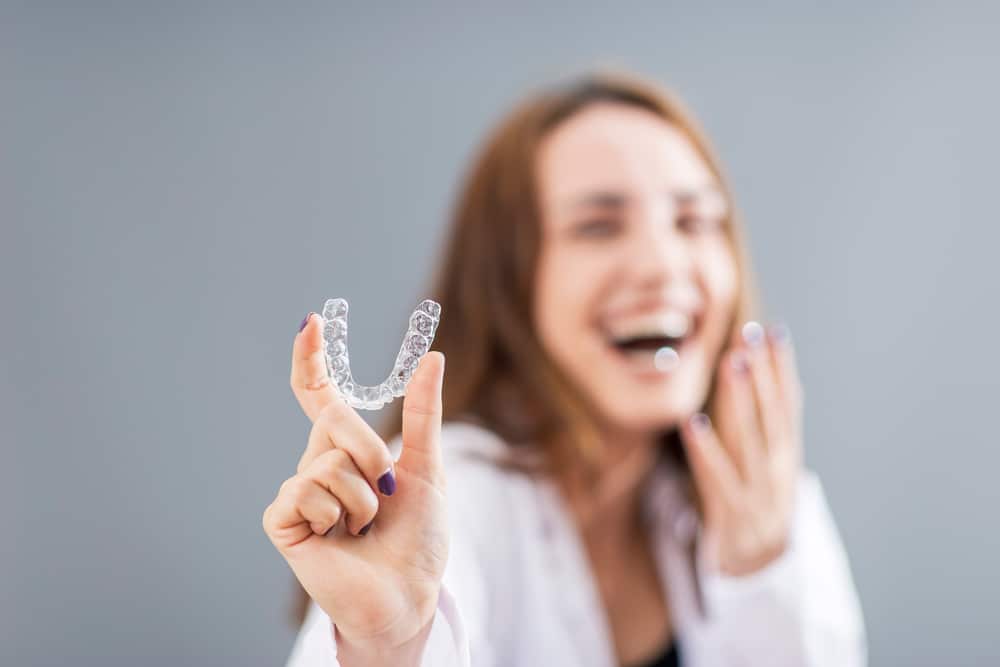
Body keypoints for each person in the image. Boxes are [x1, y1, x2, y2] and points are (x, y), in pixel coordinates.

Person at [262, 72, 866, 667]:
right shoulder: (447, 501)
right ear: (511, 282)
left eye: (694, 221)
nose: (663, 264)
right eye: (598, 226)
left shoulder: (759, 498)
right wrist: (387, 650)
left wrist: (760, 573)